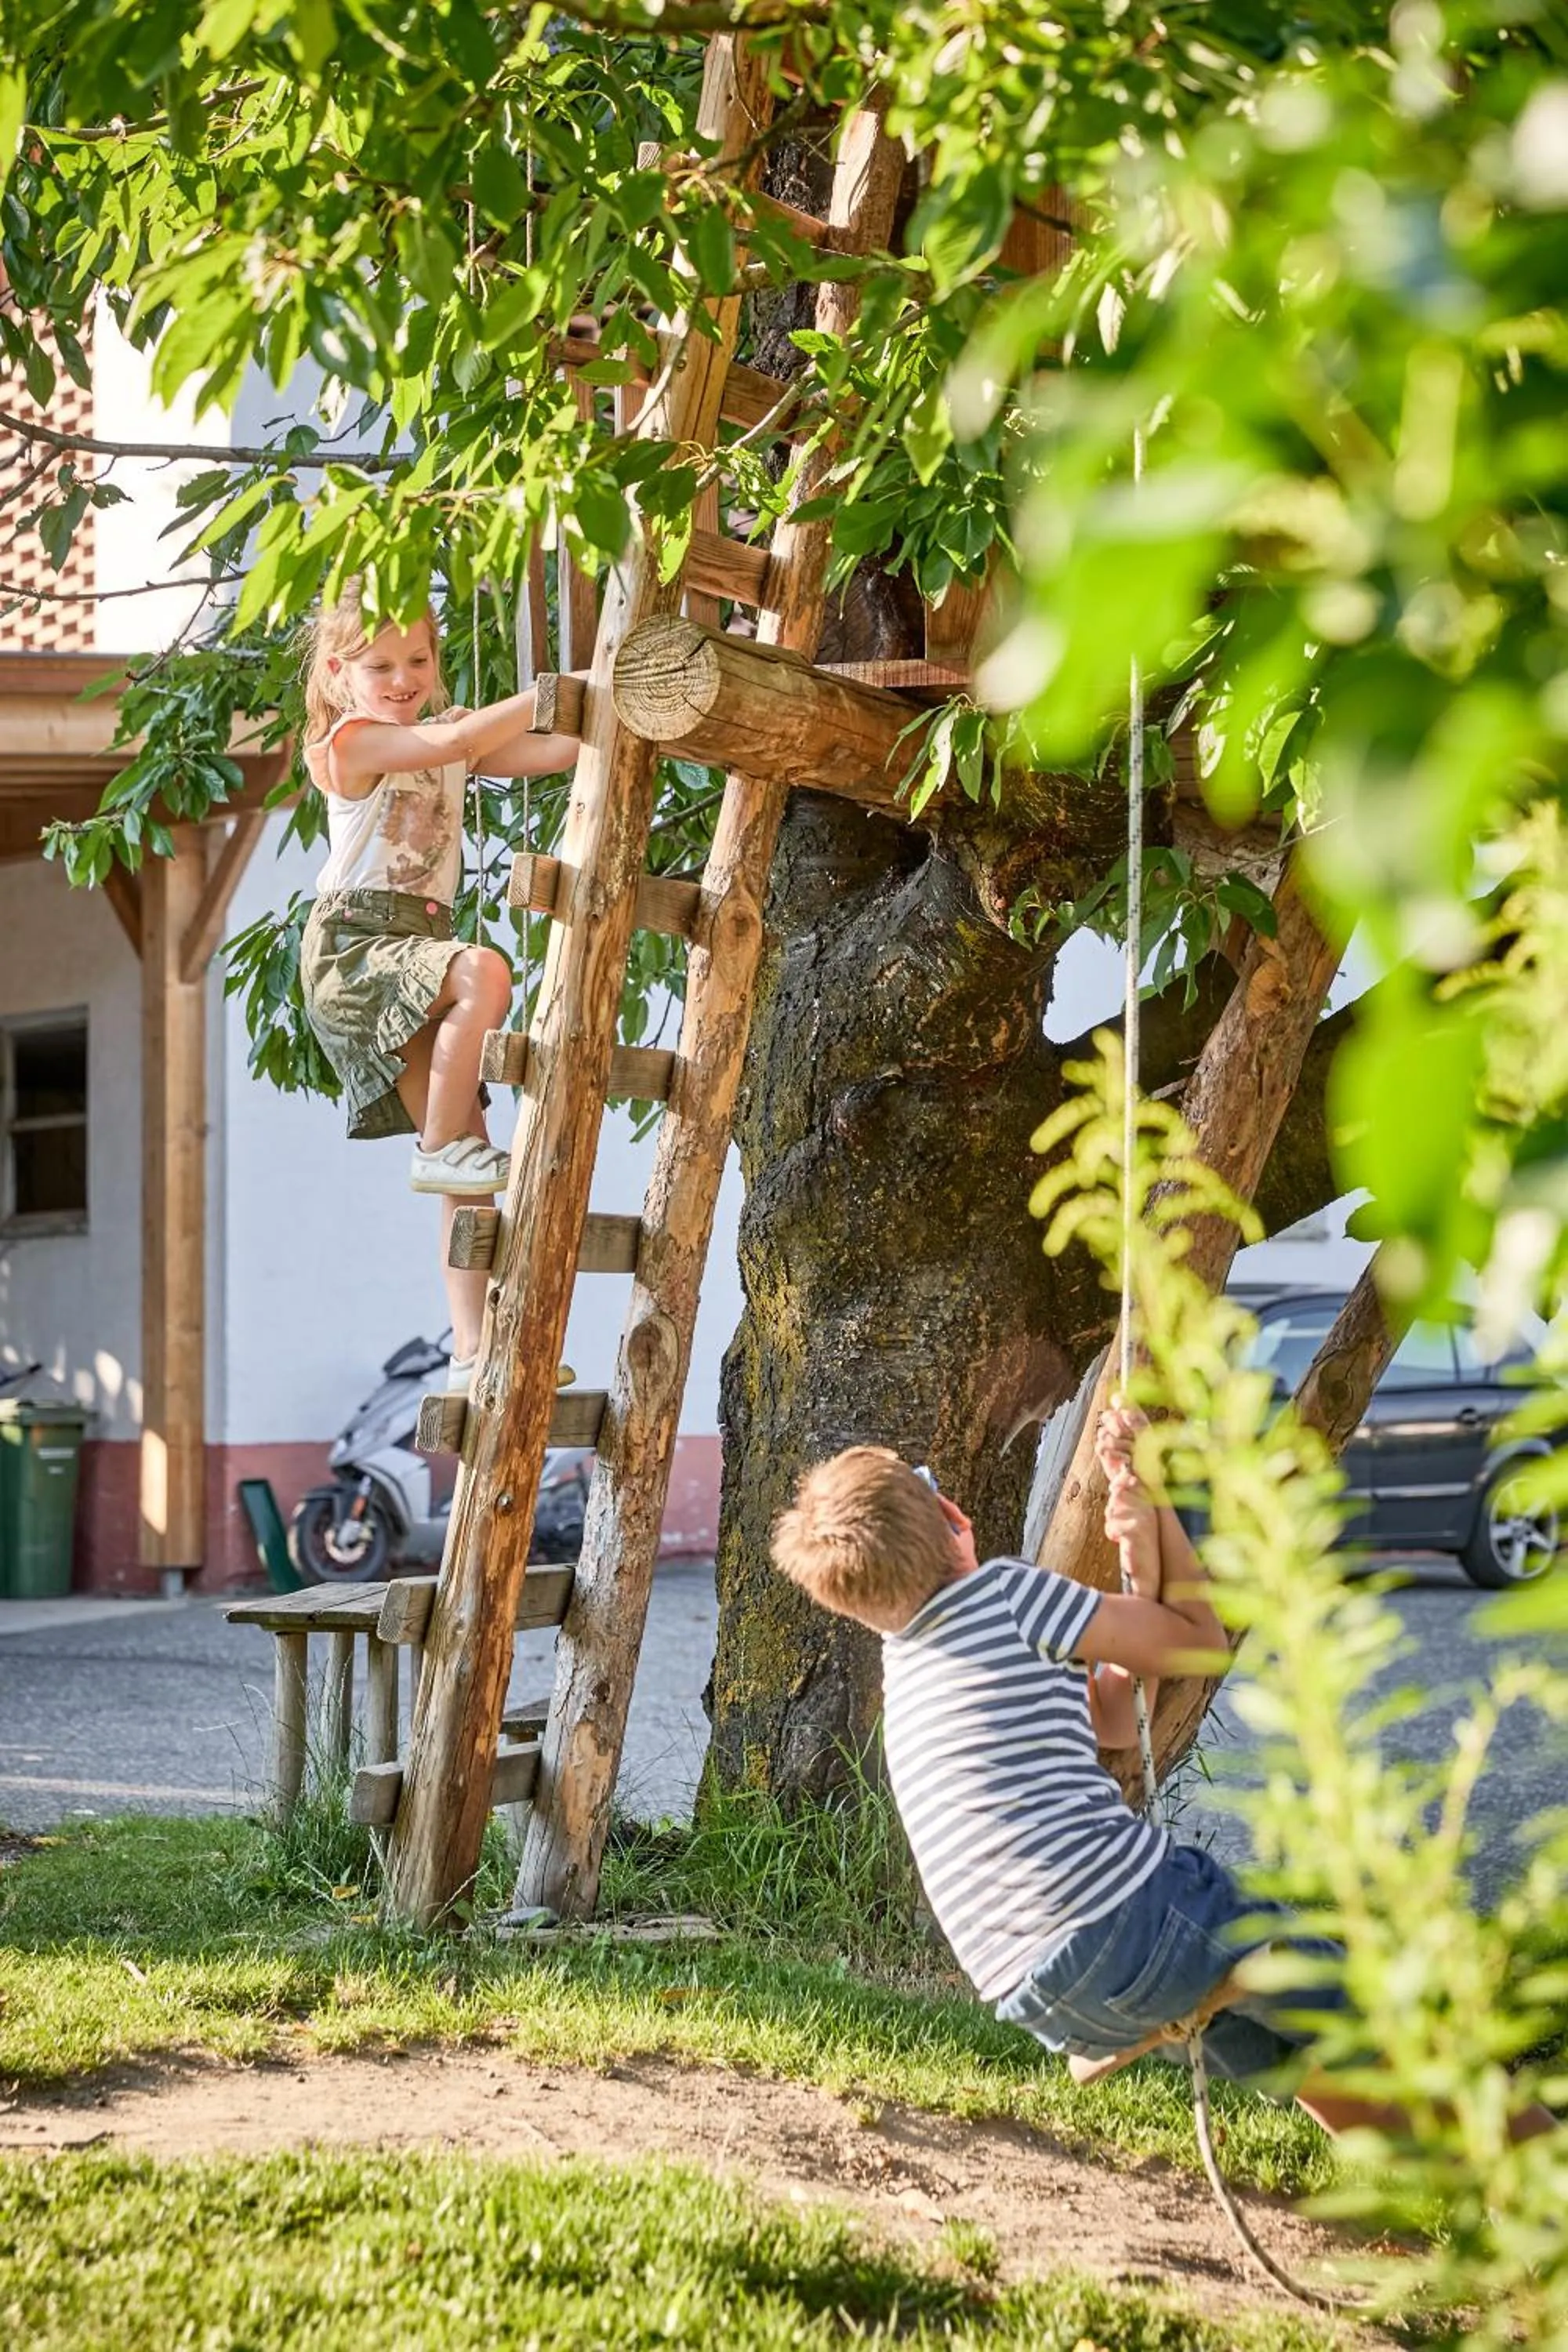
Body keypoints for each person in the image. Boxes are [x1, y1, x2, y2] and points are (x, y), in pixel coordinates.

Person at [770, 1421, 1421, 2139]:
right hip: (1123, 1916)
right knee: (1377, 2012)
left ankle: (1407, 2189)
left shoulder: (915, 1667)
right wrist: (1162, 1499)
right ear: (950, 1519)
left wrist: (1142, 1548)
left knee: (1291, 2052)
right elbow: (1200, 1645)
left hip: (1041, 1993)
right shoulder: (1004, 1595)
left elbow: (1116, 1716)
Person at [299, 583, 579, 1394]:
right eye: (379, 664)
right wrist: (547, 695)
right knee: (485, 971)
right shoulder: (350, 744)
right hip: (356, 948)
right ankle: (435, 1149)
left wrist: (600, 720)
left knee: (474, 1176)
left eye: (418, 659)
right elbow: (440, 745)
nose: (402, 677)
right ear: (336, 674)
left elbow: (550, 752)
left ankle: (470, 1349)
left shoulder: (446, 736)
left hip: (416, 950)